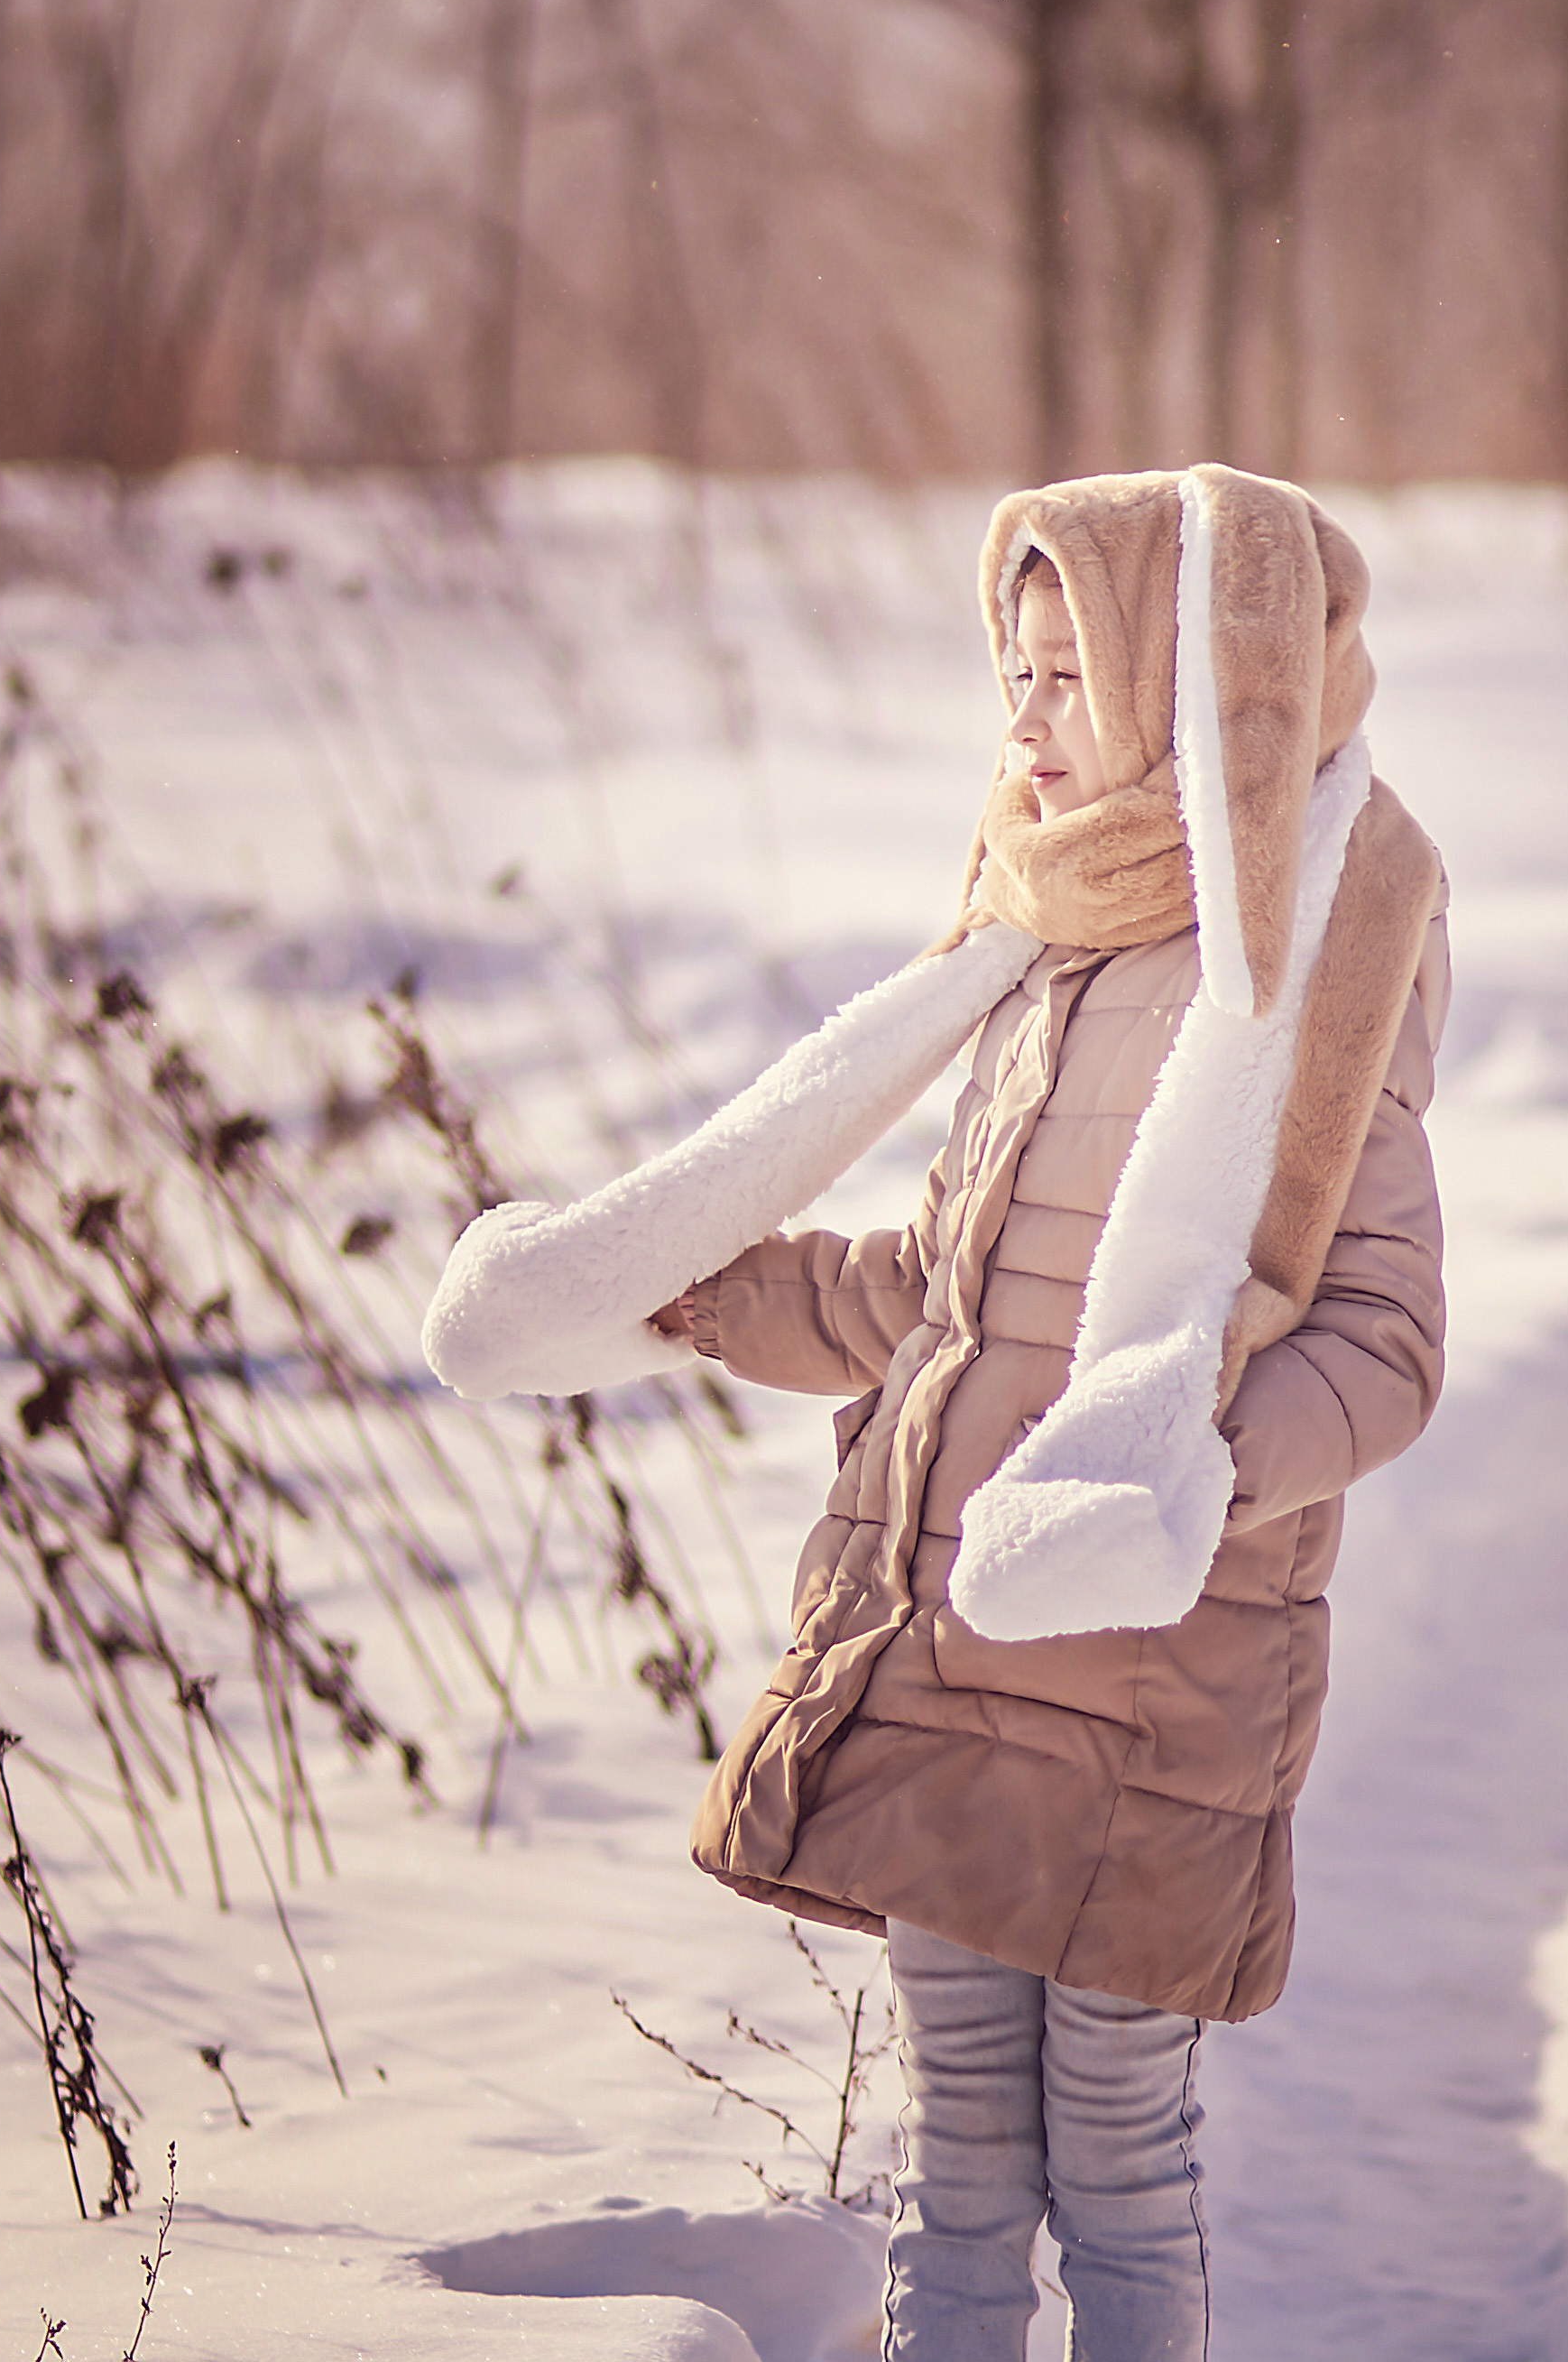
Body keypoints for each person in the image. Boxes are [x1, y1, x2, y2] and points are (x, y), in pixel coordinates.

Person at [423, 465, 1449, 2362]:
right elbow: (942, 1289)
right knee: (959, 2173)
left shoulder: (1313, 974)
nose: (1028, 718)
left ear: (1185, 687)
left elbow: (1382, 1343)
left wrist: (1191, 1475)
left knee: (1122, 2172)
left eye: (1073, 677)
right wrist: (737, 1298)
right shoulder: (1037, 950)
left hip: (1150, 1692)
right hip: (950, 1654)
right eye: (1019, 671)